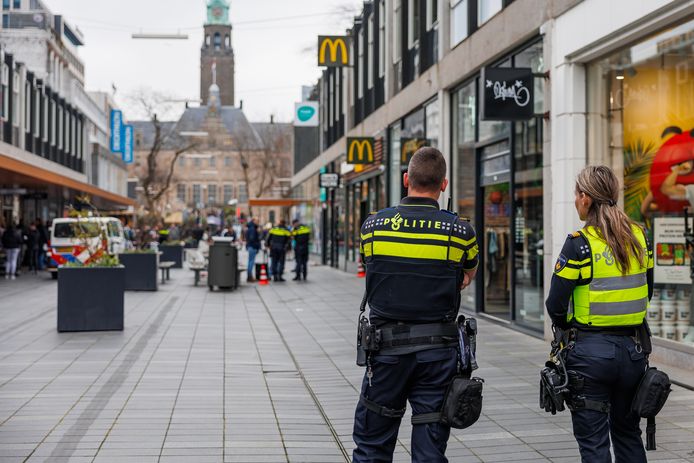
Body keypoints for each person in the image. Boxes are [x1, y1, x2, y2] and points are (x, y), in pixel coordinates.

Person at [352, 147, 479, 463]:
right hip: (438, 354)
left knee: (371, 446)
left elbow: (371, 265)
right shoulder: (460, 231)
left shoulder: (373, 226)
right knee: (429, 450)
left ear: (406, 179)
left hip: (385, 352)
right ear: (444, 185)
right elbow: (468, 274)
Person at [545, 165, 653, 463]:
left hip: (589, 355)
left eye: (576, 194)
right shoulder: (640, 237)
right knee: (628, 434)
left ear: (585, 198)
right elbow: (648, 292)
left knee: (594, 444)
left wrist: (570, 328)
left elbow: (555, 305)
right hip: (633, 353)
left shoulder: (579, 244)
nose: (575, 200)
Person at [245, 218, 261, 282]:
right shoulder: (252, 229)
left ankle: (249, 276)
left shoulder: (251, 228)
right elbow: (252, 238)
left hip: (250, 246)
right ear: (253, 221)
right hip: (252, 246)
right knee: (251, 262)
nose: (258, 222)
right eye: (257, 221)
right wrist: (257, 245)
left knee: (250, 261)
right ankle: (249, 277)